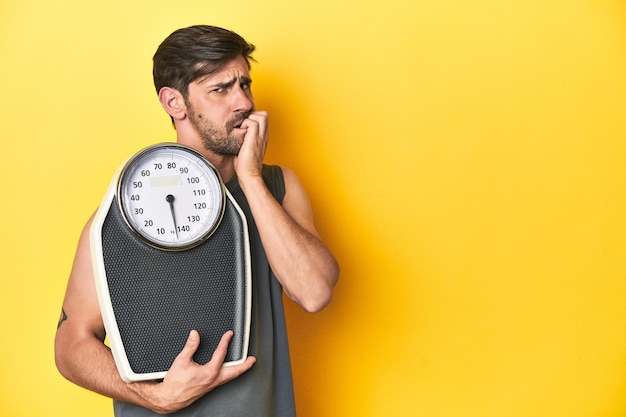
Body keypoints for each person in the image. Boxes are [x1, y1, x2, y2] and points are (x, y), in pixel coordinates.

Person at [55, 25, 339, 416]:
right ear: (175, 102)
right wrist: (152, 397)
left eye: (244, 84)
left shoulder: (277, 186)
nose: (243, 102)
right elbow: (71, 343)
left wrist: (251, 179)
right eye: (220, 89)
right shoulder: (126, 209)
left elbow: (314, 293)